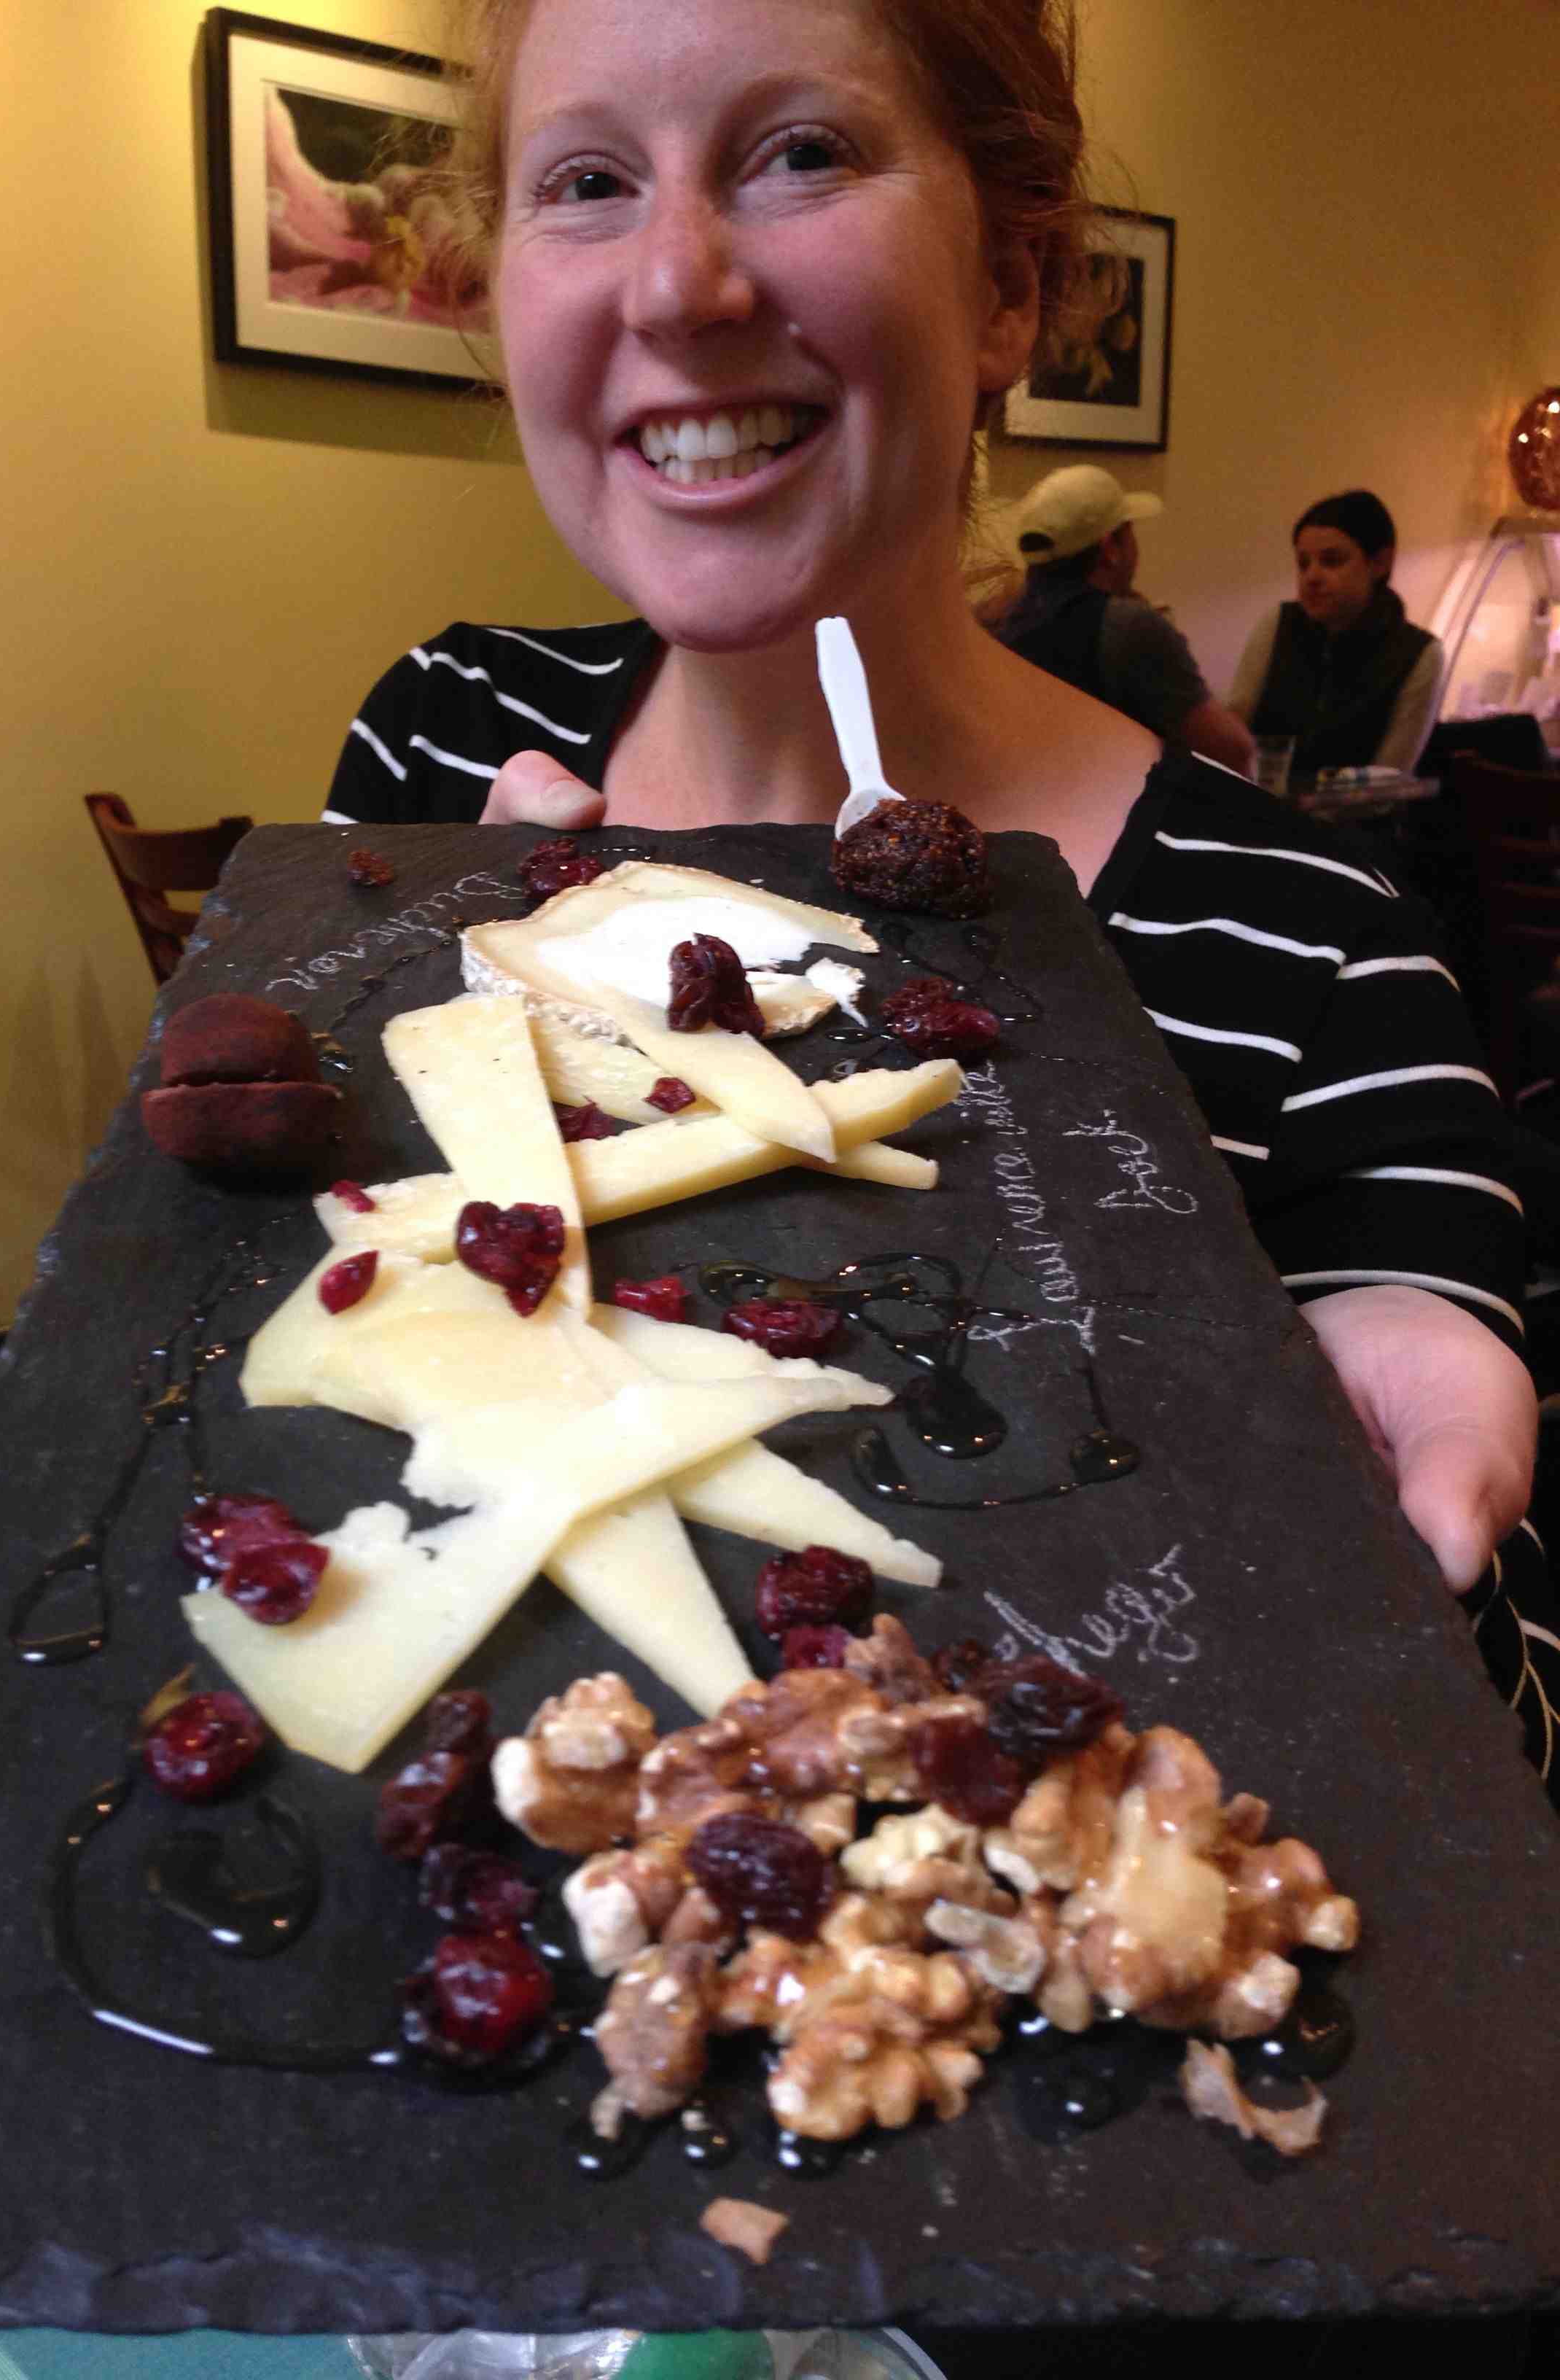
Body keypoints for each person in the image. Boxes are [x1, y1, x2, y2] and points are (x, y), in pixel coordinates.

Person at [322, 0, 1550, 1792]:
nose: (676, 282)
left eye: (800, 153)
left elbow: (1474, 1787)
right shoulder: (438, 746)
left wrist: (1360, 1454)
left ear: (1010, 288)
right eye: (585, 181)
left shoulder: (1313, 946)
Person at [991, 463, 1255, 775]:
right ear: (1110, 549)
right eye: (1129, 532)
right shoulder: (1129, 627)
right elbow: (1232, 749)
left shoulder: (998, 619)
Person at [1229, 489, 1443, 774]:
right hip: (1256, 797)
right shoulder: (1278, 623)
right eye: (1303, 564)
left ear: (1380, 563)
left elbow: (1392, 774)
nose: (1311, 577)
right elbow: (1233, 728)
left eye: (1331, 561)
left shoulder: (1419, 654)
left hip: (1355, 804)